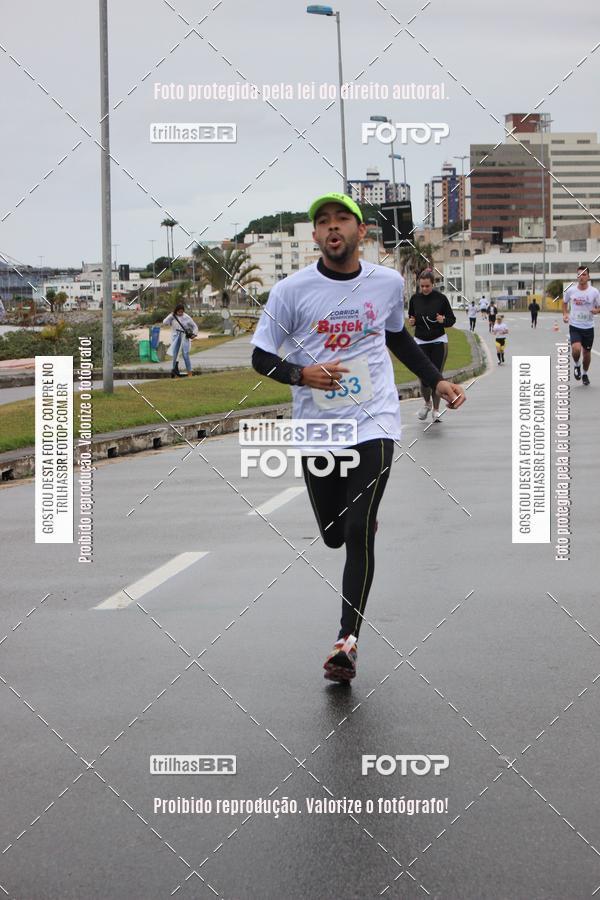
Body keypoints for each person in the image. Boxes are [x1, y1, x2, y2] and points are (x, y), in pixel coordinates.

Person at [251, 192, 466, 683]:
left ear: (360, 231)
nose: (332, 227)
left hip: (375, 422)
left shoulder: (387, 283)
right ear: (314, 236)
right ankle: (358, 526)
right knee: (333, 535)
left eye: (341, 219)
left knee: (356, 529)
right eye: (323, 221)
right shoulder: (292, 290)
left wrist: (436, 379)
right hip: (319, 428)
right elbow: (261, 357)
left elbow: (397, 338)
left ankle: (347, 641)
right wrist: (302, 374)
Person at [408, 270, 456, 423]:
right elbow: (411, 316)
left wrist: (443, 320)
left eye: (427, 286)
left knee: (436, 377)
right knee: (423, 378)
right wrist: (412, 321)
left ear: (433, 284)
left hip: (438, 341)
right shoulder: (414, 299)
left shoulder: (441, 299)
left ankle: (436, 410)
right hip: (420, 341)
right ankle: (427, 404)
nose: (424, 289)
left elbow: (452, 319)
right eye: (422, 286)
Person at [562, 266, 600, 386]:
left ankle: (584, 373)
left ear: (588, 277)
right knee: (576, 349)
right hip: (575, 326)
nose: (581, 277)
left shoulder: (594, 292)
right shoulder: (571, 291)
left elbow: (599, 307)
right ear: (577, 276)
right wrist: (565, 314)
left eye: (584, 275)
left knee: (587, 354)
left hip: (588, 327)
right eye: (579, 275)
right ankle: (577, 365)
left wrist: (597, 310)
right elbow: (564, 302)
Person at [163, 303, 199, 377]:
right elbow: (165, 322)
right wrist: (170, 315)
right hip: (175, 337)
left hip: (184, 337)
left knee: (185, 354)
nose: (180, 313)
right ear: (176, 311)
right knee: (175, 355)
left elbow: (194, 326)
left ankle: (189, 372)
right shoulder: (172, 316)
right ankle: (174, 371)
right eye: (179, 312)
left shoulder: (187, 317)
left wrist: (194, 335)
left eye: (182, 312)